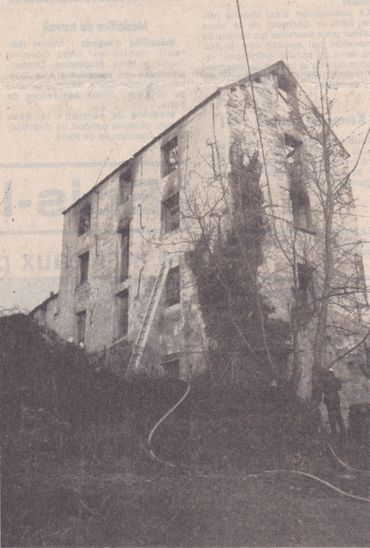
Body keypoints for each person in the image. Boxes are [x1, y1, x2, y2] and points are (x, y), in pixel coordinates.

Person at [323, 368, 345, 437]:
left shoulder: (335, 380)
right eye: (329, 373)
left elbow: (339, 387)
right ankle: (336, 432)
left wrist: (329, 390)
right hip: (331, 400)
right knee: (333, 416)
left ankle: (341, 431)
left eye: (331, 373)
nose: (330, 375)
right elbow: (323, 389)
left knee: (337, 415)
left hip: (333, 400)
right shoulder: (327, 380)